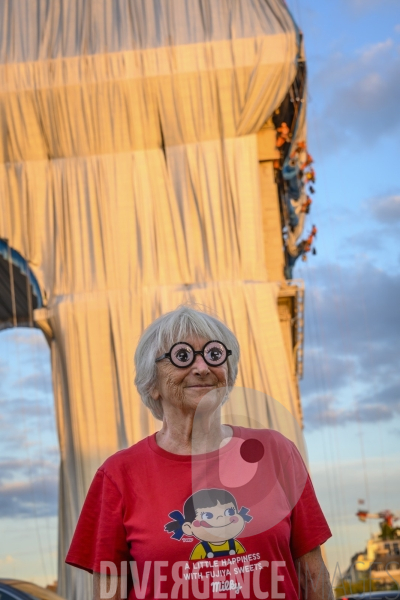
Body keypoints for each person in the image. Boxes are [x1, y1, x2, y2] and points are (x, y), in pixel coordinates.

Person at [66, 305, 333, 600]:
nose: (202, 367)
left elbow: (313, 575)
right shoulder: (117, 476)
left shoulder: (276, 452)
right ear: (152, 384)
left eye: (214, 354)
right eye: (182, 357)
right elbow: (108, 594)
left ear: (227, 373)